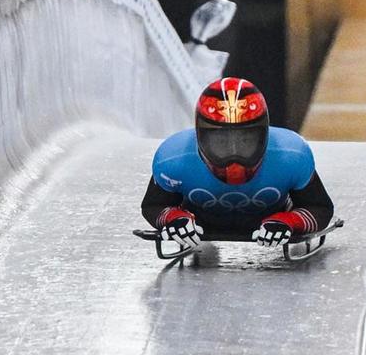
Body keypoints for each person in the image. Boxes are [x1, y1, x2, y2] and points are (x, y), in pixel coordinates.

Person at [141, 77, 334, 249]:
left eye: (245, 140)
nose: (233, 155)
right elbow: (153, 205)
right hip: (213, 218)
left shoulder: (293, 155)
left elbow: (320, 208)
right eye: (221, 142)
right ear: (200, 135)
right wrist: (175, 218)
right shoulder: (171, 159)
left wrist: (288, 221)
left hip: (263, 216)